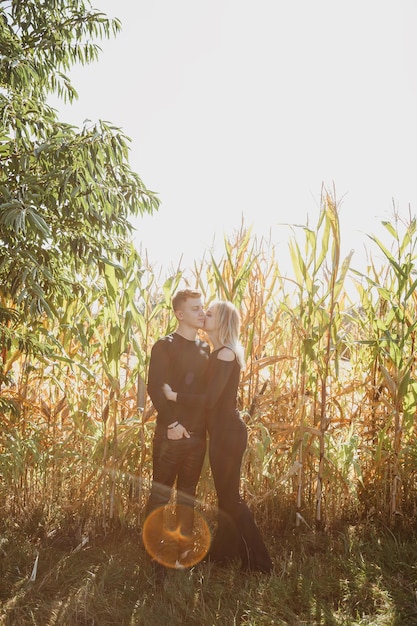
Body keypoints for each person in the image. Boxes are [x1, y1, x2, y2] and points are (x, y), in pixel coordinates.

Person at [163, 300, 273, 574]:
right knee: (226, 499)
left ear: (221, 321)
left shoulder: (224, 354)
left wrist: (174, 396)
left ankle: (260, 563)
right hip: (223, 434)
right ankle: (225, 555)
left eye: (209, 313)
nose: (203, 316)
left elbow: (210, 400)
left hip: (228, 434)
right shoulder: (218, 353)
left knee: (231, 500)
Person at [144, 288, 210, 581]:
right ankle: (155, 555)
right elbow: (155, 387)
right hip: (169, 435)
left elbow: (202, 396)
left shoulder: (205, 349)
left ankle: (184, 554)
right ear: (179, 314)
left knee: (187, 497)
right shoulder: (165, 346)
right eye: (196, 308)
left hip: (196, 437)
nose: (202, 313)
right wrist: (171, 424)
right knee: (160, 496)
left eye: (202, 308)